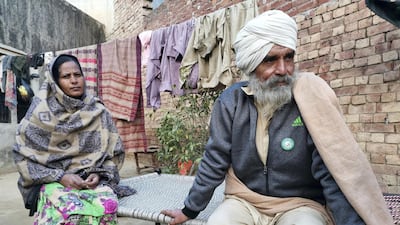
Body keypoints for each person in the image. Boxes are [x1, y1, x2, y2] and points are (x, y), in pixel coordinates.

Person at [161, 10, 393, 225]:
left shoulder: (308, 100)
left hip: (299, 204)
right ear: (251, 66)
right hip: (245, 199)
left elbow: (332, 170)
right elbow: (215, 159)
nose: (283, 69)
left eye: (288, 57)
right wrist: (189, 210)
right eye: (270, 60)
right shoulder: (231, 101)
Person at [13, 54, 135, 225]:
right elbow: (23, 156)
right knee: (69, 210)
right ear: (55, 82)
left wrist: (98, 174)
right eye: (66, 76)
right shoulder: (39, 113)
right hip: (50, 180)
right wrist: (60, 177)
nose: (74, 81)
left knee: (107, 206)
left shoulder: (98, 111)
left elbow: (113, 154)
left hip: (90, 182)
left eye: (77, 75)